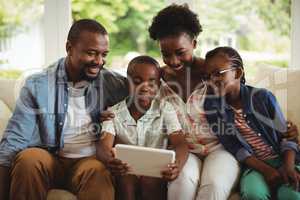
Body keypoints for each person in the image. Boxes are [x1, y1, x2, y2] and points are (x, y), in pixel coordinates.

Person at [0, 19, 128, 200]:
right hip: (50, 157)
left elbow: (147, 84)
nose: (99, 62)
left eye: (104, 54)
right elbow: (15, 138)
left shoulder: (113, 83)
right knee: (29, 159)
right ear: (69, 48)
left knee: (99, 172)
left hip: (89, 162)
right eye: (91, 53)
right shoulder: (39, 84)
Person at [148, 4, 240, 200]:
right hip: (185, 150)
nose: (173, 61)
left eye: (180, 52)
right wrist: (113, 113)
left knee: (214, 184)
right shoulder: (158, 79)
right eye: (166, 54)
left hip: (221, 148)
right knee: (181, 182)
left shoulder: (214, 73)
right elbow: (135, 97)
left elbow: (244, 97)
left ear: (194, 44)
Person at [204, 46, 300, 200]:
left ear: (238, 73)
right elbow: (234, 147)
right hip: (254, 165)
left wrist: (288, 167)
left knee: (291, 195)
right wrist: (266, 170)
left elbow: (287, 136)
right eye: (207, 76)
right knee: (253, 194)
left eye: (218, 74)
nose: (212, 80)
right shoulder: (212, 107)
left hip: (284, 158)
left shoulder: (263, 97)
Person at [97, 55, 189, 200]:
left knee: (149, 180)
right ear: (128, 83)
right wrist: (109, 160)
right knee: (127, 180)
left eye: (151, 83)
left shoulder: (165, 109)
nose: (144, 87)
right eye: (137, 82)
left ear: (158, 85)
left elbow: (180, 143)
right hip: (125, 170)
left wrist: (177, 165)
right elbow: (103, 145)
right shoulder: (114, 112)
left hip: (154, 173)